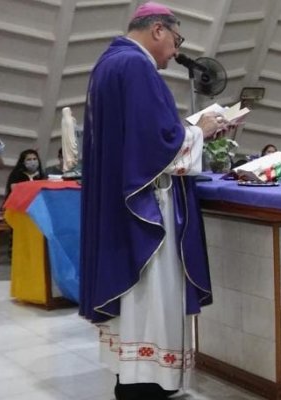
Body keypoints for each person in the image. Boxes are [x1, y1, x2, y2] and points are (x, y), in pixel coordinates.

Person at [79, 3, 229, 400]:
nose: (175, 52)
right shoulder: (135, 66)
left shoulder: (109, 62)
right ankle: (146, 387)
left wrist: (189, 132)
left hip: (124, 200)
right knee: (150, 294)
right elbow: (157, 145)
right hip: (147, 207)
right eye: (176, 41)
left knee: (135, 302)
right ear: (158, 30)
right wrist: (202, 129)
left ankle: (131, 380)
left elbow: (142, 135)